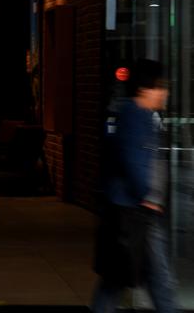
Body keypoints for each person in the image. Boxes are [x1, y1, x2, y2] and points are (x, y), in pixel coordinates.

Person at [92, 59, 177, 313]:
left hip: (133, 211)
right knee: (156, 281)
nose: (164, 92)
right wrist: (147, 197)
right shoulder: (135, 116)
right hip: (137, 212)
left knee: (117, 281)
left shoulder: (136, 114)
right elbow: (134, 160)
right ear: (144, 89)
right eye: (159, 87)